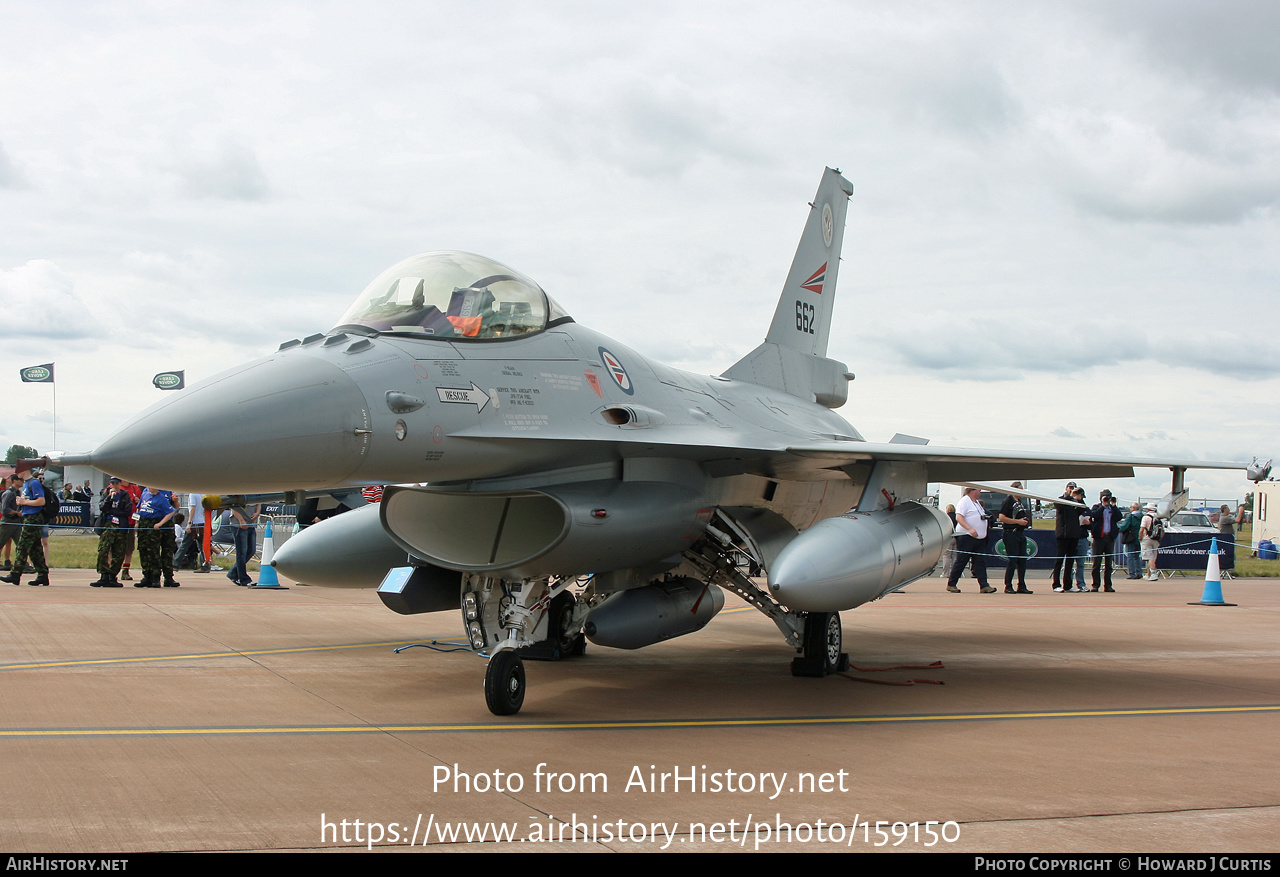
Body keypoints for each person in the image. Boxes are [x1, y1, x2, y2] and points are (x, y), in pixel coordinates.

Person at [1, 467, 50, 586]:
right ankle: (43, 574)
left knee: (22, 546)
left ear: (24, 471)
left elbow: (41, 501)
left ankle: (15, 574)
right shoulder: (27, 484)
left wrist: (24, 502)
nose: (17, 474)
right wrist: (22, 502)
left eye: (18, 471)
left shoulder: (33, 483)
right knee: (35, 548)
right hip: (28, 516)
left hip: (34, 517)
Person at [947, 487, 996, 594]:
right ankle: (952, 583)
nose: (980, 492)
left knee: (980, 561)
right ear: (972, 491)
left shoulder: (977, 503)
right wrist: (970, 528)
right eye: (978, 490)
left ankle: (984, 585)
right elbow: (959, 517)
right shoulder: (964, 502)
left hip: (979, 538)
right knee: (962, 561)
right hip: (966, 536)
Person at [91, 478, 132, 588]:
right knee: (103, 549)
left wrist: (114, 512)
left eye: (116, 483)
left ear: (120, 484)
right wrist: (109, 497)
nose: (114, 485)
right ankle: (104, 575)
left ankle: (113, 575)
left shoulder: (125, 495)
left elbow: (127, 511)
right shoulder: (105, 493)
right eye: (112, 483)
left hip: (120, 525)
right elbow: (103, 508)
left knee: (119, 552)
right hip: (108, 524)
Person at [135, 487, 179, 587]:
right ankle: (147, 576)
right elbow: (139, 508)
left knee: (165, 550)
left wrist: (160, 523)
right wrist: (136, 521)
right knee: (145, 549)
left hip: (162, 523)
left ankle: (167, 577)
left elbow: (172, 509)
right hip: (145, 523)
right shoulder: (145, 492)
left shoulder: (165, 494)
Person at [998, 483, 1033, 594]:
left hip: (1020, 533)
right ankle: (1008, 585)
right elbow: (1002, 517)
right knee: (1012, 560)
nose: (1022, 492)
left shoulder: (1019, 503)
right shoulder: (1009, 501)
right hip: (1010, 533)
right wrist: (1018, 522)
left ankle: (1021, 585)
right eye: (1020, 490)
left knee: (1022, 560)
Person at [1052, 482, 1083, 592]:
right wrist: (1067, 496)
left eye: (1073, 488)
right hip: (1063, 534)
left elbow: (1082, 510)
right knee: (1059, 560)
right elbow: (1059, 506)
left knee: (1070, 561)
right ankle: (1056, 584)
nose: (1072, 489)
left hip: (1073, 534)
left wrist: (1078, 498)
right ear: (1066, 488)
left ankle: (1068, 585)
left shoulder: (1076, 502)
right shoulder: (1061, 499)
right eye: (1070, 487)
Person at [1089, 489, 1119, 592]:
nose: (1107, 499)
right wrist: (1103, 506)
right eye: (1105, 497)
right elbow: (1094, 516)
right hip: (1099, 538)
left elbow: (1118, 517)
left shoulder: (1112, 508)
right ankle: (1095, 585)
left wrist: (1113, 506)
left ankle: (1108, 585)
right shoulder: (1097, 507)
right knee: (1096, 563)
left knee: (1108, 564)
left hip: (1109, 537)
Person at [227, 502, 260, 586]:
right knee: (241, 552)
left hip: (250, 524)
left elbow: (259, 502)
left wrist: (257, 512)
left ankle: (233, 572)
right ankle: (243, 578)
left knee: (251, 550)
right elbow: (233, 505)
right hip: (238, 525)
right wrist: (241, 520)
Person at [0, 476, 21, 570]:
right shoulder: (8, 493)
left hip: (16, 521)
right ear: (15, 481)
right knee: (1, 542)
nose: (23, 482)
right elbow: (4, 509)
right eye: (21, 480)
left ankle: (22, 564)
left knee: (21, 544)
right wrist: (16, 513)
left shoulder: (17, 493)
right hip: (8, 521)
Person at [1119, 502, 1144, 579]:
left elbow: (1125, 525)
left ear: (1133, 508)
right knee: (1137, 556)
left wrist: (1118, 529)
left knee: (1130, 556)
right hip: (1139, 537)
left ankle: (1132, 573)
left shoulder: (1130, 516)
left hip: (1131, 537)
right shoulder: (1142, 516)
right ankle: (1139, 572)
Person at [1140, 502, 1163, 581]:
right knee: (1153, 557)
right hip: (1156, 539)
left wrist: (1140, 538)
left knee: (1149, 558)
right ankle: (1148, 574)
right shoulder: (1159, 517)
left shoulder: (1146, 517)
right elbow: (1163, 531)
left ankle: (1153, 574)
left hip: (1147, 538)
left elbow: (1142, 529)